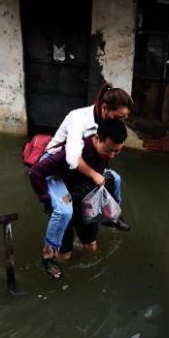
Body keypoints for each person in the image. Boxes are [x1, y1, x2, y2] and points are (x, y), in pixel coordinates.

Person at [28, 120, 128, 279]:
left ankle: (110, 219)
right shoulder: (69, 153)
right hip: (65, 200)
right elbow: (35, 173)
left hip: (87, 200)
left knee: (91, 246)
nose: (111, 155)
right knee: (65, 255)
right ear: (96, 138)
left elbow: (103, 170)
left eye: (117, 151)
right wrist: (47, 200)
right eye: (108, 150)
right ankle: (57, 271)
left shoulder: (106, 151)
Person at [45, 82, 133, 231]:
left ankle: (112, 215)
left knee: (115, 179)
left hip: (85, 160)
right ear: (104, 108)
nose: (120, 122)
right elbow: (72, 159)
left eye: (123, 119)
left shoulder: (107, 121)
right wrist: (93, 174)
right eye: (118, 117)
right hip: (59, 163)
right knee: (65, 211)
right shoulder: (79, 119)